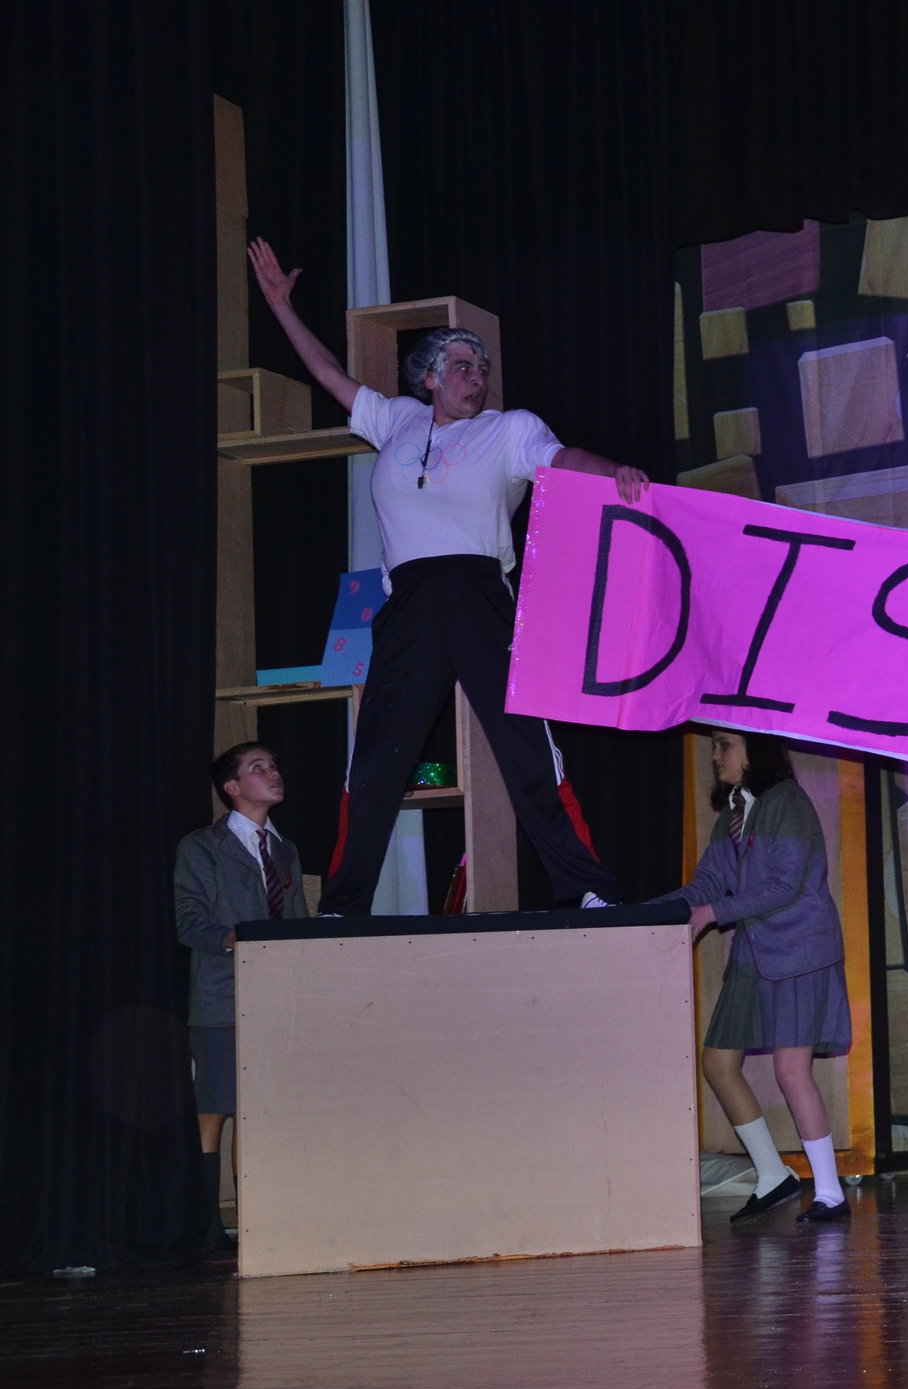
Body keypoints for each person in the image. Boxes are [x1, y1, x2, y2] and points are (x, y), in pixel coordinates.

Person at [246, 238, 642, 915]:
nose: (475, 378)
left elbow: (563, 457)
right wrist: (281, 306)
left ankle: (588, 888)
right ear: (429, 377)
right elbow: (328, 373)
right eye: (462, 367)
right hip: (409, 600)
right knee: (377, 757)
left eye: (482, 370)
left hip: (478, 591)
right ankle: (344, 903)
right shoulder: (395, 420)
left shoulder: (508, 430)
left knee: (526, 748)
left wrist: (615, 472)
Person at [666, 730, 854, 1225]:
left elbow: (783, 885)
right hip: (754, 953)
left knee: (791, 1071)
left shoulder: (787, 803)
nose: (715, 755)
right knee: (718, 1063)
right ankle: (773, 1176)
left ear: (756, 749)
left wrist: (712, 913)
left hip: (797, 951)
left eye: (724, 745)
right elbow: (709, 882)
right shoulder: (735, 811)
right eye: (714, 746)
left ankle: (830, 1192)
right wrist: (654, 912)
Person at [173, 743, 310, 1253]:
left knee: (255, 1112)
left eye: (274, 766)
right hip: (222, 996)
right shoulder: (203, 846)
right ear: (232, 788)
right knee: (215, 1107)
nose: (273, 773)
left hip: (274, 998)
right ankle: (206, 1224)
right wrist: (235, 938)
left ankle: (251, 1222)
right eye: (259, 768)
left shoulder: (284, 848)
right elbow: (189, 920)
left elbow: (295, 921)